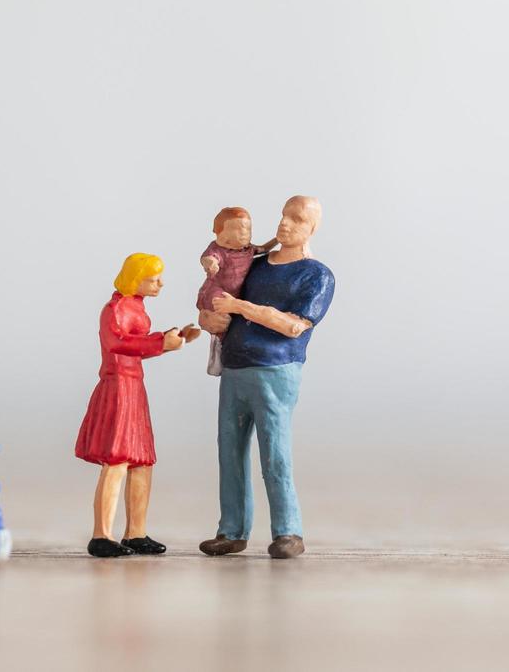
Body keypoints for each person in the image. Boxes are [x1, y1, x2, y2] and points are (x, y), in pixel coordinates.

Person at [198, 196, 335, 560]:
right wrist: (210, 318)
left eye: (297, 219)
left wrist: (240, 308)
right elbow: (218, 300)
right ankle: (232, 530)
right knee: (229, 451)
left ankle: (288, 530)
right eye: (284, 216)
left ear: (311, 228)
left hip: (275, 370)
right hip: (235, 367)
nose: (286, 224)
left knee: (274, 453)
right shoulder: (254, 265)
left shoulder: (316, 275)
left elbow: (292, 325)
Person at [75, 253, 200, 558]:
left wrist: (171, 339)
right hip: (118, 386)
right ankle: (102, 534)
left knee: (142, 461)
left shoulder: (136, 307)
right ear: (136, 278)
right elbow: (118, 343)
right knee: (117, 459)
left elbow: (136, 347)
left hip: (133, 386)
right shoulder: (114, 309)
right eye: (153, 278)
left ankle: (136, 532)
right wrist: (160, 343)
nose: (160, 283)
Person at [196, 206, 277, 376]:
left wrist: (278, 239)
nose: (244, 233)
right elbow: (208, 258)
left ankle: (222, 346)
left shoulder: (248, 250)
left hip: (236, 295)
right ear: (220, 233)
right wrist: (211, 263)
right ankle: (217, 348)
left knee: (230, 323)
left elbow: (264, 249)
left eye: (247, 228)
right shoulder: (218, 250)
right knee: (221, 319)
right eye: (238, 229)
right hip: (217, 290)